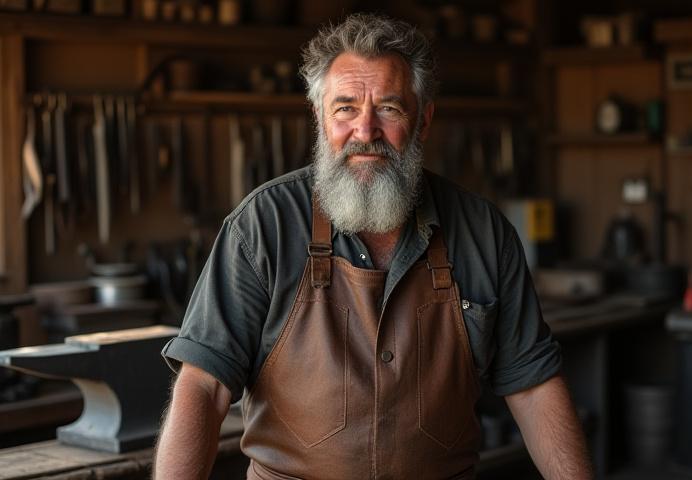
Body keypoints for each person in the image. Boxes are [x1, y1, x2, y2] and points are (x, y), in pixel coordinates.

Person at [154, 13, 593, 480]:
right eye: (345, 108)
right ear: (321, 117)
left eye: (388, 108)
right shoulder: (264, 226)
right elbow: (203, 387)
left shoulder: (483, 233)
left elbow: (533, 387)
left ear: (423, 120)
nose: (365, 131)